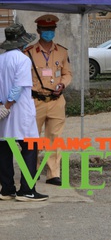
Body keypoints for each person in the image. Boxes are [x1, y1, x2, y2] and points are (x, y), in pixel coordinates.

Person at [0, 24, 49, 202]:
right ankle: (27, 190)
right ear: (22, 43)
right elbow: (19, 86)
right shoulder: (22, 60)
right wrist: (8, 105)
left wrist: (1, 106)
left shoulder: (1, 59)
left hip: (3, 113)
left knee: (5, 148)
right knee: (29, 148)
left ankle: (6, 189)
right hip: (18, 110)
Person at [23, 14, 72, 187]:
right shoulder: (28, 53)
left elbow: (67, 73)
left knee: (55, 138)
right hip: (35, 101)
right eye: (45, 30)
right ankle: (32, 170)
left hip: (56, 100)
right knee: (32, 138)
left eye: (51, 30)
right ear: (38, 31)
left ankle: (53, 174)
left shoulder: (62, 51)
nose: (48, 33)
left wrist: (63, 85)